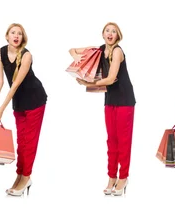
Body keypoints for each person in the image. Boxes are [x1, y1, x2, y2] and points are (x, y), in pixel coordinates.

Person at [69, 22, 136, 196]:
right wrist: (77, 59)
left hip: (125, 100)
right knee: (111, 140)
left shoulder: (117, 51)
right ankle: (112, 177)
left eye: (114, 31)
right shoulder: (98, 50)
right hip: (110, 99)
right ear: (103, 34)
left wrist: (87, 82)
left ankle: (123, 177)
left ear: (118, 35)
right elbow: (72, 50)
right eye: (107, 30)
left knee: (123, 141)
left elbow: (111, 78)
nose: (110, 33)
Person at [0, 23, 47, 196]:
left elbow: (14, 86)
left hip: (35, 100)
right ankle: (19, 175)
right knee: (21, 143)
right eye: (13, 33)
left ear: (23, 37)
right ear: (7, 36)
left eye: (19, 33)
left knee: (30, 142)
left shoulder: (26, 55)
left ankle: (26, 177)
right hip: (19, 103)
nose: (16, 36)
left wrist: (2, 109)